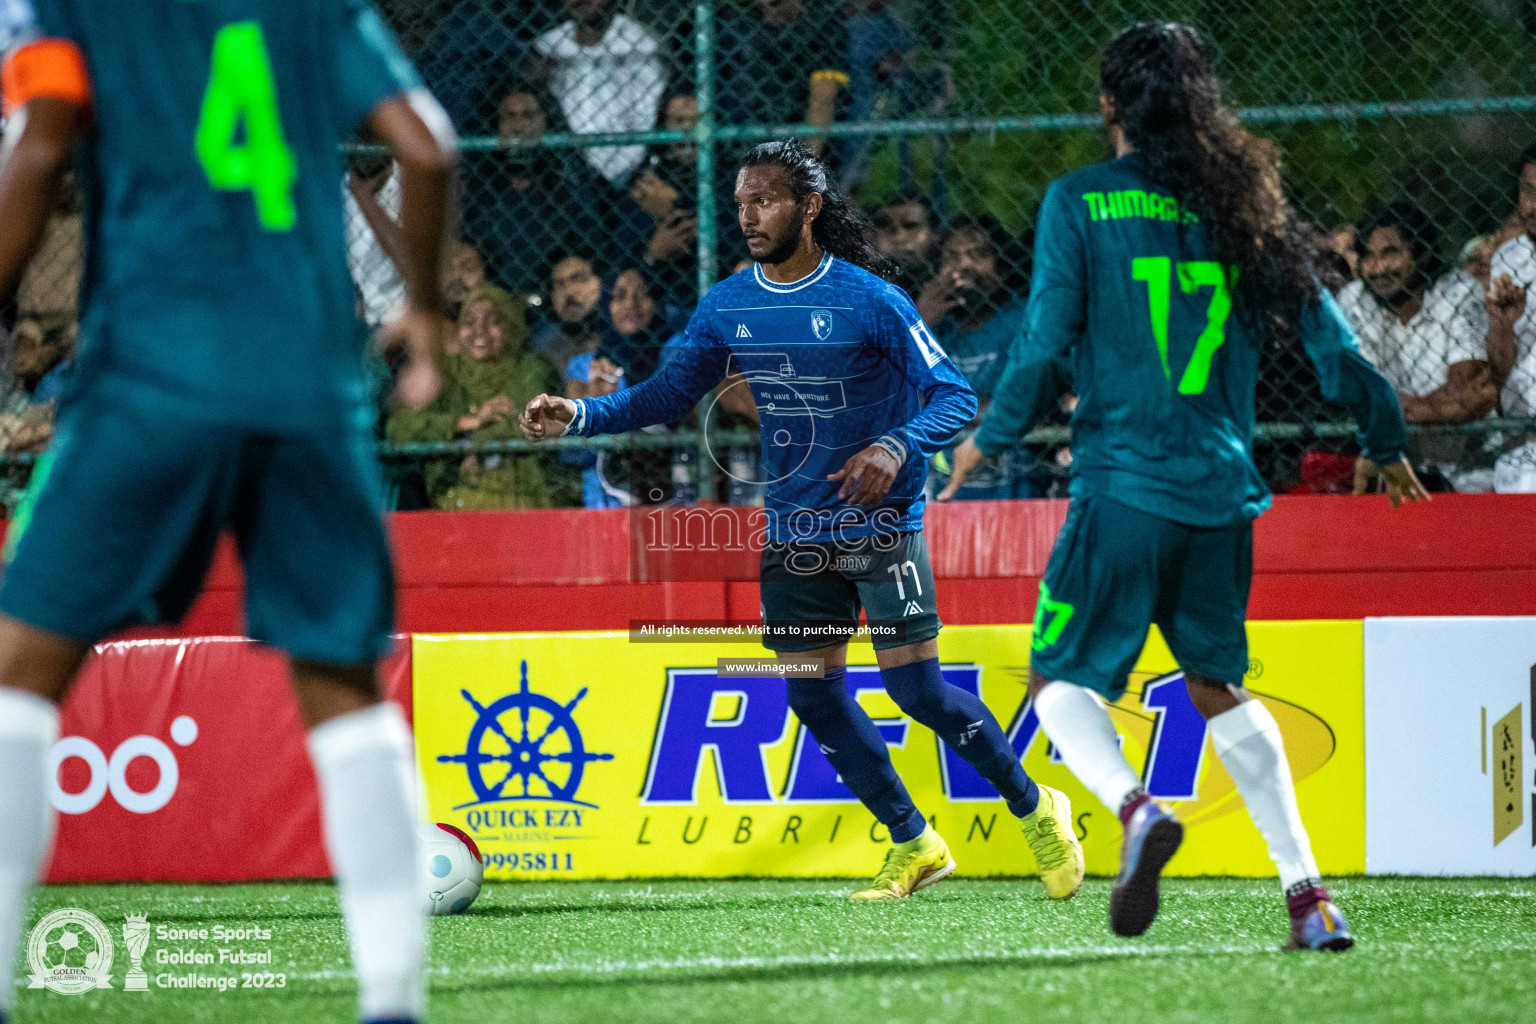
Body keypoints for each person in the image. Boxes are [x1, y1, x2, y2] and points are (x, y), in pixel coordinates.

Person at [0, 4, 455, 1024]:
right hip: (307, 383)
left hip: (149, 376)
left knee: (18, 678)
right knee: (343, 683)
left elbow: (37, 155)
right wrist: (421, 308)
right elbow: (427, 148)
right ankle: (393, 1001)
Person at [941, 22, 1425, 950]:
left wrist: (988, 437)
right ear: (1202, 103)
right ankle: (1309, 897)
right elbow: (1339, 347)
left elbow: (1042, 347)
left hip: (1122, 486)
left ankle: (1133, 810)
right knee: (1217, 684)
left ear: (1110, 106)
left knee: (1054, 680)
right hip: (1219, 493)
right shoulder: (1249, 210)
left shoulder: (1078, 202)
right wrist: (1385, 435)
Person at [520, 138, 1084, 901]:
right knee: (812, 695)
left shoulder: (871, 300)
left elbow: (951, 395)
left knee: (916, 694)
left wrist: (895, 443)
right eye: (742, 202)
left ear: (809, 206)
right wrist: (580, 413)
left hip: (882, 527)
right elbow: (662, 396)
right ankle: (914, 842)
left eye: (767, 201)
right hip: (793, 532)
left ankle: (1035, 806)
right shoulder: (728, 304)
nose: (749, 216)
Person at [529, 0, 666, 185]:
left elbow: (653, 110)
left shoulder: (640, 40)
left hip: (638, 167)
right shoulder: (548, 46)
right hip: (571, 168)